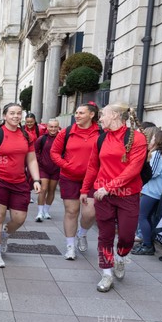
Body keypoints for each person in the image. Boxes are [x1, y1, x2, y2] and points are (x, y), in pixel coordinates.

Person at [80, 102, 147, 292]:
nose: (99, 118)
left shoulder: (138, 139)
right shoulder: (100, 139)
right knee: (105, 236)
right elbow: (93, 166)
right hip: (103, 196)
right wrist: (85, 190)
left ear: (115, 116)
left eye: (102, 115)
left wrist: (110, 187)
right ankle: (106, 273)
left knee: (126, 236)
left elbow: (134, 169)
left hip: (127, 195)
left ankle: (121, 257)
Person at [0, 103, 41, 268]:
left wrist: (36, 179)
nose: (16, 116)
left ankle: (5, 234)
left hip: (20, 182)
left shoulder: (27, 136)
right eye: (12, 113)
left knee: (19, 218)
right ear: (5, 116)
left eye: (19, 113)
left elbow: (32, 159)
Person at [50, 102, 103, 259]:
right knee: (71, 211)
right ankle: (70, 246)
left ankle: (83, 233)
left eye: (81, 113)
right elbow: (54, 153)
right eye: (76, 113)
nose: (77, 116)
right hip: (70, 177)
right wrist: (66, 166)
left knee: (89, 213)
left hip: (93, 179)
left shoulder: (101, 133)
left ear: (91, 115)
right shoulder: (67, 132)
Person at [131, 130, 162, 255]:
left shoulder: (156, 154)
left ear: (159, 140)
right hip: (158, 192)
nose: (152, 140)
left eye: (154, 138)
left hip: (152, 192)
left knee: (142, 216)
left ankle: (148, 245)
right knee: (147, 217)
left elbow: (152, 173)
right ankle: (147, 243)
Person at [34, 119, 61, 221]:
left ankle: (46, 210)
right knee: (43, 189)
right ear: (47, 127)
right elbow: (35, 152)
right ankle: (40, 212)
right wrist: (40, 161)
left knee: (51, 190)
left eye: (55, 127)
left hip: (56, 168)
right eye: (51, 127)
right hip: (43, 168)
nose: (53, 129)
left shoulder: (62, 139)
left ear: (58, 127)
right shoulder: (42, 139)